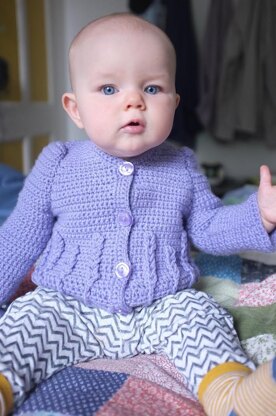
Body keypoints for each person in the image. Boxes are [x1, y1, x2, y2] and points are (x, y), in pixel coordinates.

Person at [0, 12, 275, 416]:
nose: (133, 100)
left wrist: (259, 217)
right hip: (69, 305)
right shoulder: (58, 162)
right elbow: (19, 238)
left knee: (200, 317)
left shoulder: (181, 164)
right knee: (25, 324)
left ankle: (233, 395)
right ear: (75, 108)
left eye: (152, 87)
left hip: (162, 304)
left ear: (174, 103)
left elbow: (210, 228)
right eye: (109, 88)